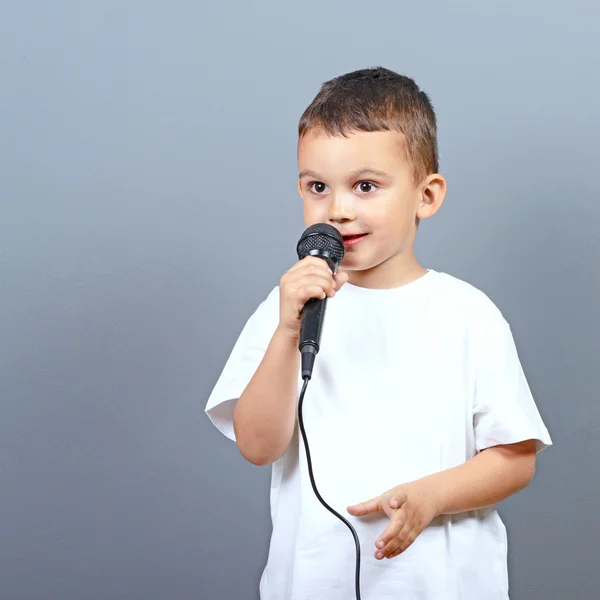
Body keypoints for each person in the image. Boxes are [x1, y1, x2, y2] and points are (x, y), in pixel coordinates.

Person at [205, 66, 552, 600]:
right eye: (317, 187)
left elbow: (515, 457)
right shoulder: (286, 309)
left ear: (426, 196)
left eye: (366, 186)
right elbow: (257, 444)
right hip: (316, 582)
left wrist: (432, 496)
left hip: (441, 585)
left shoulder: (467, 314)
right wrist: (285, 333)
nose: (338, 209)